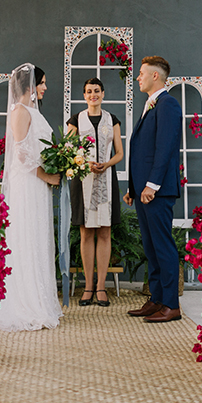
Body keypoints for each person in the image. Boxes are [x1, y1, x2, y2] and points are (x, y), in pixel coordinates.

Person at [0, 63, 63, 331]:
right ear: (30, 86)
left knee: (37, 236)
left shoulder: (33, 111)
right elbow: (21, 155)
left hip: (37, 183)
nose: (45, 87)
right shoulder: (19, 111)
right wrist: (47, 175)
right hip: (28, 182)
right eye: (42, 82)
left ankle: (40, 300)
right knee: (26, 236)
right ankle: (24, 302)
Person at [124, 56, 183, 323]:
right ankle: (157, 299)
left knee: (163, 246)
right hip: (144, 190)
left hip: (157, 190)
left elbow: (165, 148)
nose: (138, 77)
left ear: (155, 76)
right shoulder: (151, 105)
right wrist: (133, 188)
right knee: (150, 246)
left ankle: (171, 304)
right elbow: (141, 150)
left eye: (141, 74)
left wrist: (152, 185)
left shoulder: (168, 104)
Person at [66, 78, 123, 308]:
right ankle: (88, 286)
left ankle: (101, 286)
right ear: (84, 95)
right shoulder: (75, 120)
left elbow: (119, 152)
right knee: (86, 233)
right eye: (88, 91)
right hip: (83, 181)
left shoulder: (113, 120)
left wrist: (107, 164)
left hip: (108, 179)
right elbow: (68, 151)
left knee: (105, 233)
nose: (93, 95)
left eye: (97, 91)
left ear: (103, 93)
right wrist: (85, 163)